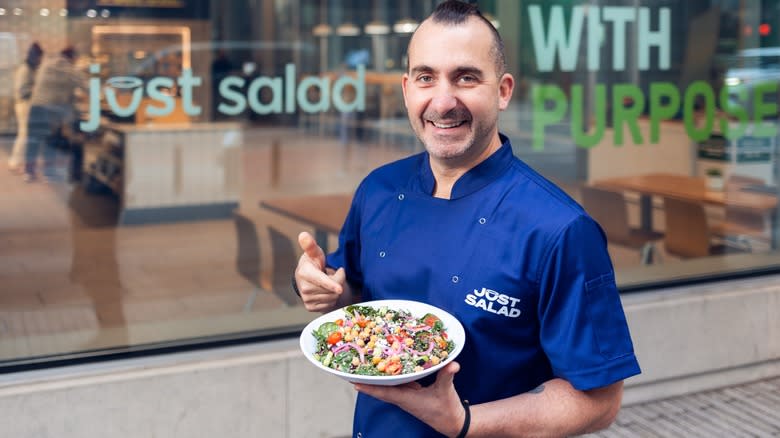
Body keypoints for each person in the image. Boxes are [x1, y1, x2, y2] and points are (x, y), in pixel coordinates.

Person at [293, 1, 641, 437]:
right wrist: (324, 287)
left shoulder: (559, 229)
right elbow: (355, 293)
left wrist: (465, 422)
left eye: (466, 77)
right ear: (406, 89)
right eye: (425, 78)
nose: (442, 101)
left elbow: (599, 402)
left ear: (504, 90)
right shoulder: (378, 190)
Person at [24, 45, 86, 183]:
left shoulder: (45, 64)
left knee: (33, 141)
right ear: (73, 58)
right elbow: (87, 88)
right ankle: (48, 173)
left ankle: (29, 173)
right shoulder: (72, 70)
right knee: (49, 141)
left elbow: (40, 84)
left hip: (36, 106)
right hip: (51, 111)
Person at [7, 42, 43, 174]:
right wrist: (36, 90)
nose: (40, 60)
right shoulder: (25, 70)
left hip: (25, 104)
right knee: (24, 134)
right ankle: (15, 162)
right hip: (24, 104)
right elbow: (23, 91)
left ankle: (19, 162)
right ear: (34, 56)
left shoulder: (29, 69)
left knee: (25, 134)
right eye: (39, 57)